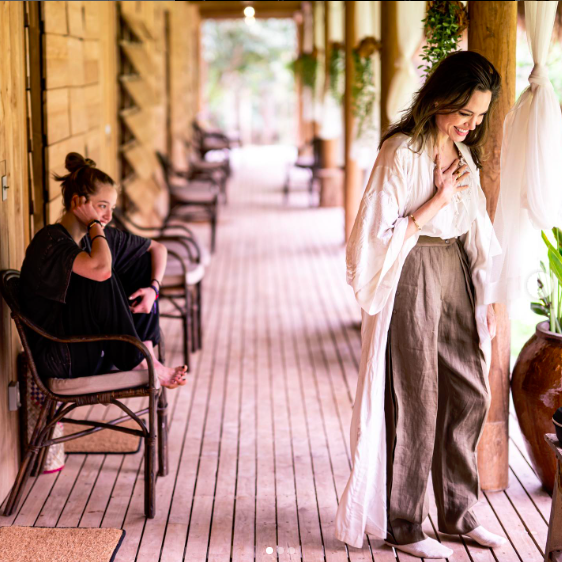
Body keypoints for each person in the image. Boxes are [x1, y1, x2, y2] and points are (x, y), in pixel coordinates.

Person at [335, 51, 507, 558]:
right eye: (464, 114)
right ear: (440, 99)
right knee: (415, 397)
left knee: (469, 386)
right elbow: (370, 237)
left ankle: (457, 511)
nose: (470, 126)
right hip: (410, 269)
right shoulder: (401, 151)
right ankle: (405, 523)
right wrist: (433, 201)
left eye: (479, 117)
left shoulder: (463, 153)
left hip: (455, 268)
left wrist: (488, 294)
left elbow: (476, 224)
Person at [20, 152, 187, 389]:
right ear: (79, 203)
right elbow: (100, 270)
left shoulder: (98, 237)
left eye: (112, 207)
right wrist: (94, 224)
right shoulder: (50, 242)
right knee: (100, 272)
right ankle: (140, 361)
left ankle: (146, 352)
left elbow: (157, 249)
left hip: (89, 345)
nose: (108, 216)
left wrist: (153, 290)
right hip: (60, 355)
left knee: (140, 261)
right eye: (101, 207)